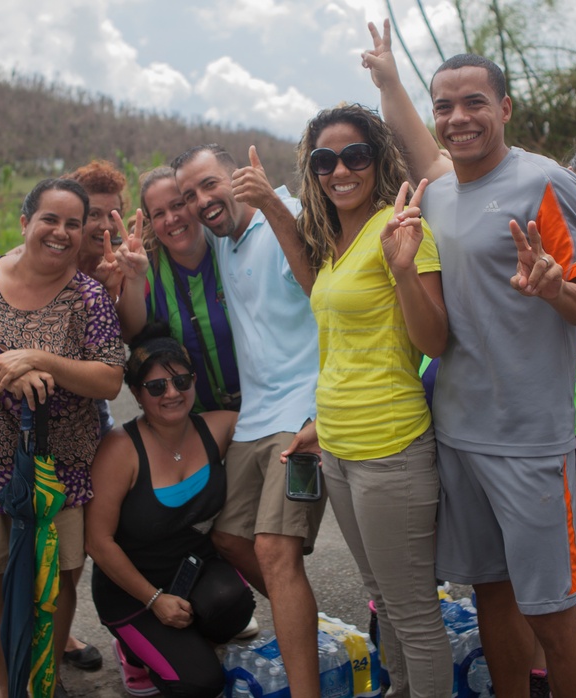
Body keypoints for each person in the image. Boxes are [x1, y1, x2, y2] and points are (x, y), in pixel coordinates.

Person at [364, 20, 576, 698]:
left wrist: (558, 288)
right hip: (455, 432)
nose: (458, 117)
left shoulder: (547, 184)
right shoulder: (439, 192)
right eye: (444, 105)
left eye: (474, 102)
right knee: (491, 595)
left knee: (553, 614)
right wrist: (389, 81)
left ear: (504, 108)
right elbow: (416, 143)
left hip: (529, 441)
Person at [237, 103, 452, 696]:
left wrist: (404, 270)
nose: (341, 171)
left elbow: (434, 340)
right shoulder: (333, 241)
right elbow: (324, 309)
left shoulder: (403, 228)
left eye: (354, 155)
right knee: (381, 595)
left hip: (392, 447)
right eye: (325, 160)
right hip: (338, 443)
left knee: (413, 611)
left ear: (378, 158)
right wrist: (319, 424)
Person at [0, 178, 125, 698]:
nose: (61, 232)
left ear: (82, 236)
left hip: (65, 466)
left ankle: (44, 680)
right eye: (49, 220)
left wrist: (39, 359)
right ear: (24, 223)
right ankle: (15, 687)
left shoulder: (89, 297)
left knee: (55, 586)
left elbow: (108, 377)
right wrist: (1, 371)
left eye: (73, 224)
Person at [171, 144, 325, 696]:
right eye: (190, 195)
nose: (201, 202)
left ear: (238, 175)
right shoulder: (220, 235)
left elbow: (322, 291)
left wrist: (273, 206)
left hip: (304, 416)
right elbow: (167, 235)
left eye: (210, 185)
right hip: (254, 419)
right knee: (232, 538)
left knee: (275, 550)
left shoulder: (289, 216)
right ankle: (302, 619)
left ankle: (306, 679)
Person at [85, 326, 256, 698]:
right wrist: (154, 599)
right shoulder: (120, 450)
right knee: (200, 683)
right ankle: (134, 652)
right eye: (157, 387)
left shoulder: (219, 426)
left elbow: (272, 428)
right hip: (131, 592)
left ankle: (183, 641)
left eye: (181, 380)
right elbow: (97, 541)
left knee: (235, 604)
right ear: (136, 393)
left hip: (194, 571)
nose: (173, 393)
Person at [114, 167, 242, 414]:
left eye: (178, 205)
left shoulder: (230, 248)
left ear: (194, 203)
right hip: (187, 420)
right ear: (150, 221)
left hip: (260, 405)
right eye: (159, 213)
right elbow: (131, 334)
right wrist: (135, 279)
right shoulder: (146, 266)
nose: (171, 219)